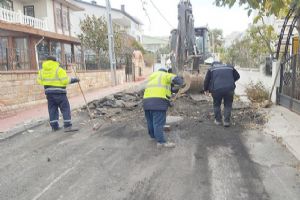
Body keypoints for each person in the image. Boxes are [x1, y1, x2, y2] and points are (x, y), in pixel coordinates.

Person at [143, 66, 183, 148]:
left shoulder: (152, 76)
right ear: (166, 71)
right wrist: (183, 82)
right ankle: (161, 142)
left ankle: (153, 137)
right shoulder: (165, 75)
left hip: (146, 102)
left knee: (150, 121)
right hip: (158, 103)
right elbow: (177, 79)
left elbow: (162, 90)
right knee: (158, 123)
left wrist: (169, 102)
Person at [37, 56, 80, 132]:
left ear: (46, 61)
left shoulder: (41, 71)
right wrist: (74, 80)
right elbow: (65, 81)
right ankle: (67, 126)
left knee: (52, 109)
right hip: (60, 93)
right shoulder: (59, 69)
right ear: (55, 61)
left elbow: (39, 81)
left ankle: (54, 127)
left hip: (49, 93)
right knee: (65, 108)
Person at [203, 61, 240, 127]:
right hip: (229, 89)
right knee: (228, 104)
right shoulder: (230, 67)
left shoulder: (211, 69)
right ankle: (226, 121)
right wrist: (230, 81)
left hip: (216, 89)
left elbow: (206, 80)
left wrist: (205, 89)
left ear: (213, 65)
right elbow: (237, 76)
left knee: (216, 104)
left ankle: (218, 121)